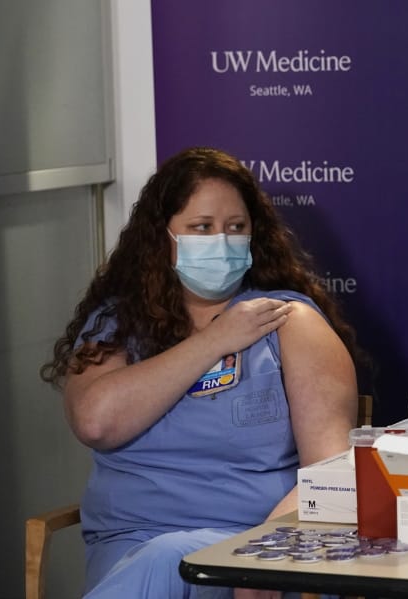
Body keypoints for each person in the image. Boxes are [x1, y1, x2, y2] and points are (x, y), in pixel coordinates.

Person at [40, 147, 358, 598]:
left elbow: (332, 473)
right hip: (132, 545)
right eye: (202, 228)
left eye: (236, 228)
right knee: (164, 558)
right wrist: (215, 339)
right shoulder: (116, 324)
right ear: (162, 236)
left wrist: (267, 547)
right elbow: (95, 422)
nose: (222, 241)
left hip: (261, 544)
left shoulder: (289, 322)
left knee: (176, 558)